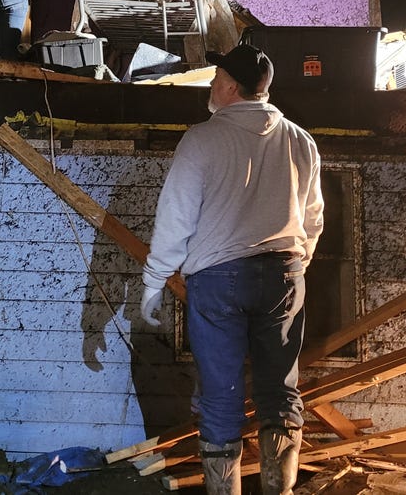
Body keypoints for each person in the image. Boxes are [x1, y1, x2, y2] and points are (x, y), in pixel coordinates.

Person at [139, 44, 324, 495]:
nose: (210, 85)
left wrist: (153, 282)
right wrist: (296, 263)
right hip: (284, 272)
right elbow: (314, 218)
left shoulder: (202, 139)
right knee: (278, 391)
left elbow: (175, 219)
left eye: (214, 77)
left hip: (218, 280)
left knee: (221, 396)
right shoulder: (300, 140)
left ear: (226, 85)